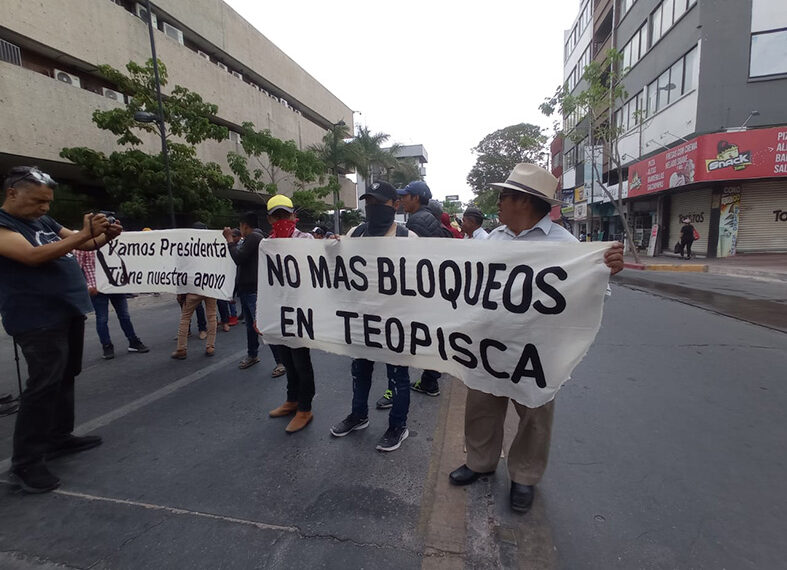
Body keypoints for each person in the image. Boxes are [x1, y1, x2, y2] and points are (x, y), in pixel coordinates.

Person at [448, 163, 624, 514]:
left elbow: (591, 299)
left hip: (537, 351)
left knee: (534, 415)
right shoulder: (493, 240)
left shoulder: (566, 245)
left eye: (503, 197)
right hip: (488, 345)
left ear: (524, 202)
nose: (496, 204)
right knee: (482, 406)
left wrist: (604, 271)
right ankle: (481, 462)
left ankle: (524, 477)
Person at [0, 166, 122, 493]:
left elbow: (82, 245)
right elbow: (32, 256)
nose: (44, 208)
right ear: (12, 193)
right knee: (42, 386)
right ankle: (25, 464)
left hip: (67, 312)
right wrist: (85, 235)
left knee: (66, 376)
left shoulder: (44, 221)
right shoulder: (4, 226)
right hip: (37, 317)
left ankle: (58, 436)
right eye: (38, 201)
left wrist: (104, 236)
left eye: (48, 202)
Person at [330, 181, 417, 452]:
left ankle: (398, 426)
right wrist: (331, 248)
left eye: (379, 203)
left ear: (395, 205)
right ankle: (359, 416)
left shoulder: (408, 239)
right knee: (360, 371)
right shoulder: (355, 233)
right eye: (369, 203)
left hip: (395, 322)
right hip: (361, 320)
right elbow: (335, 265)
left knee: (397, 377)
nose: (373, 208)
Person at [264, 195, 317, 433]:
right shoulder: (267, 243)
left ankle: (305, 408)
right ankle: (292, 400)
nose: (282, 219)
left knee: (301, 362)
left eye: (285, 214)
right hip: (278, 312)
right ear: (270, 219)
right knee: (286, 359)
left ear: (294, 215)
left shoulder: (305, 239)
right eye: (277, 216)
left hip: (301, 312)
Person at [223, 212, 282, 373]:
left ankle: (280, 362)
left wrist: (229, 241)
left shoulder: (254, 237)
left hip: (253, 290)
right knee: (250, 327)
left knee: (262, 327)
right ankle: (252, 355)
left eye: (240, 225)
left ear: (245, 225)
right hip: (247, 289)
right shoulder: (252, 238)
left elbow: (238, 257)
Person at [74, 249, 149, 359]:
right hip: (98, 288)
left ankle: (133, 341)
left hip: (116, 285)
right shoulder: (83, 246)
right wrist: (89, 286)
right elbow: (77, 269)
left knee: (124, 315)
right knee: (102, 319)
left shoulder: (115, 243)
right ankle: (107, 345)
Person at [171, 292, 217, 359]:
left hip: (194, 289)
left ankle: (181, 349)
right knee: (212, 316)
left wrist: (180, 293)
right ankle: (210, 347)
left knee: (185, 318)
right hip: (210, 288)